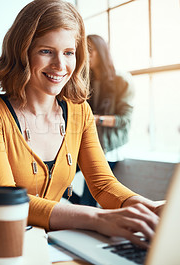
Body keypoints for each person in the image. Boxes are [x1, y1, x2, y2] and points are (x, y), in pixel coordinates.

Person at [0, 0, 163, 247]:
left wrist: (148, 208)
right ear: (22, 52)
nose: (61, 65)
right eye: (46, 51)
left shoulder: (80, 111)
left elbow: (103, 185)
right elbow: (8, 201)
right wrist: (98, 217)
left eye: (69, 52)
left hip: (50, 246)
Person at [71, 34, 135, 206]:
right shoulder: (85, 80)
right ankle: (83, 208)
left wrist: (94, 119)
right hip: (86, 146)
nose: (86, 54)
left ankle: (87, 212)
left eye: (90, 50)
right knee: (56, 181)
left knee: (88, 200)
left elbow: (124, 120)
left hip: (109, 148)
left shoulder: (122, 80)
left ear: (102, 51)